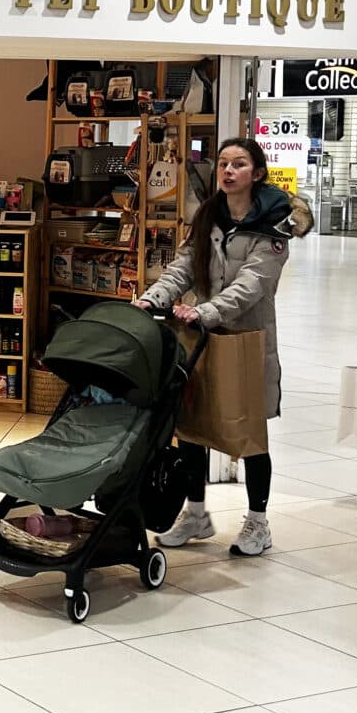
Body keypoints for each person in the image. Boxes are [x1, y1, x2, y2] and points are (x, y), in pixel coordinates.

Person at [136, 137, 311, 557]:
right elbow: (183, 267)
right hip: (199, 337)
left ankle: (258, 523)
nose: (229, 171)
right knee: (191, 428)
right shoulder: (208, 215)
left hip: (246, 340)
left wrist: (206, 311)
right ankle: (196, 514)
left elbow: (253, 284)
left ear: (258, 173)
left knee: (249, 434)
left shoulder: (274, 225)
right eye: (224, 164)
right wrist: (153, 298)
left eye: (239, 164)